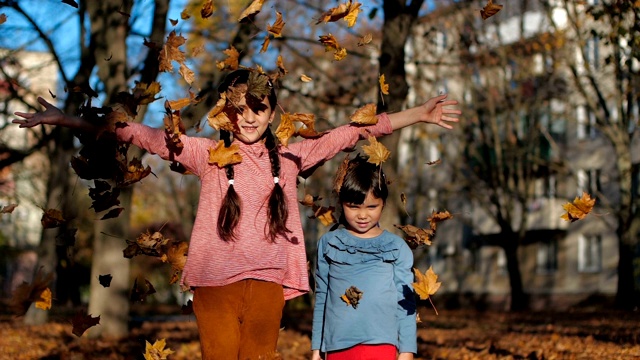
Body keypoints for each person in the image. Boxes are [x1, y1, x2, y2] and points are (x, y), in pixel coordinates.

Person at [14, 68, 459, 359]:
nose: (248, 118)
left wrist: (418, 114)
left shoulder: (291, 156)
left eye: (258, 109)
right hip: (215, 285)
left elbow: (351, 132)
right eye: (239, 110)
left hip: (268, 285)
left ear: (272, 111)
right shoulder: (206, 153)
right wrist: (68, 120)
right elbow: (142, 135)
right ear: (227, 112)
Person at [311, 155, 416, 360]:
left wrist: (407, 350)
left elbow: (406, 302)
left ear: (383, 203)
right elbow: (322, 297)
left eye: (371, 207)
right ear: (342, 202)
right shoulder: (329, 244)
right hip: (338, 344)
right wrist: (317, 348)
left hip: (382, 343)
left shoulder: (396, 247)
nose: (362, 215)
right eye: (354, 206)